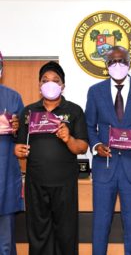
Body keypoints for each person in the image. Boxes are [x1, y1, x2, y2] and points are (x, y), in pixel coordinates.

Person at [85, 46, 131, 255]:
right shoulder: (95, 91)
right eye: (112, 61)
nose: (117, 65)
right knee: (100, 224)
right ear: (106, 65)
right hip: (104, 167)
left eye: (121, 60)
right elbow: (89, 126)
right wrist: (96, 145)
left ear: (129, 62)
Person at [14, 61, 88, 255]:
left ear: (63, 85)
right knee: (38, 233)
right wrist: (18, 150)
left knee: (66, 233)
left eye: (55, 80)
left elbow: (82, 147)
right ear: (39, 85)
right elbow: (19, 144)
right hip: (35, 183)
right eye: (45, 80)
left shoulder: (74, 111)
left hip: (64, 184)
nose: (50, 84)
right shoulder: (28, 112)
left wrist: (69, 138)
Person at [0, 51, 24, 255]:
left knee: (5, 245)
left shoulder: (13, 97)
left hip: (5, 178)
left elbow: (23, 138)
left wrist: (17, 128)